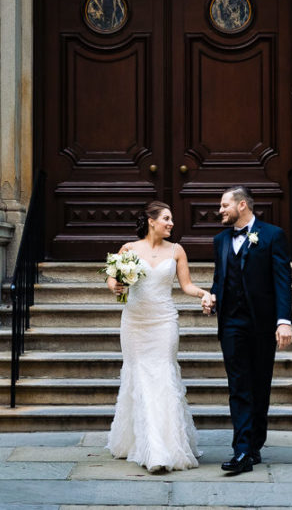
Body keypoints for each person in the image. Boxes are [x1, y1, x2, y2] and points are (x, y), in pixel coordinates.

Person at [105, 201, 213, 472]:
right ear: (151, 221)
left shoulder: (177, 251)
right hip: (134, 321)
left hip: (164, 322)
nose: (171, 223)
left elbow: (186, 285)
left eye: (171, 219)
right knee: (139, 376)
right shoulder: (128, 249)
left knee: (163, 375)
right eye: (166, 218)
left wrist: (205, 294)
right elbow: (113, 282)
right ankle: (146, 446)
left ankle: (163, 449)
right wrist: (116, 285)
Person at [202, 186, 292, 474]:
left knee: (260, 385)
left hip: (263, 324)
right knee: (238, 386)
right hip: (231, 324)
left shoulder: (272, 235)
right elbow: (221, 278)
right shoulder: (220, 240)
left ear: (242, 205)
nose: (220, 210)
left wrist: (283, 320)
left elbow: (281, 281)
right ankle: (241, 449)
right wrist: (212, 297)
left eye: (224, 204)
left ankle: (254, 446)